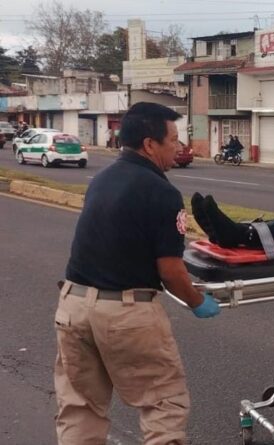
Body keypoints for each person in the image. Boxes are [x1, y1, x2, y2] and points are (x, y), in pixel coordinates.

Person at [54, 102, 221, 445]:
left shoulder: (101, 179)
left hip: (73, 307)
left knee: (81, 407)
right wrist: (197, 301)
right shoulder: (162, 192)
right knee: (163, 404)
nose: (178, 146)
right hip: (124, 313)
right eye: (173, 140)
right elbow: (171, 271)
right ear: (149, 144)